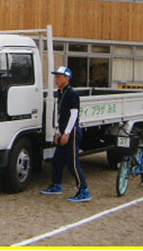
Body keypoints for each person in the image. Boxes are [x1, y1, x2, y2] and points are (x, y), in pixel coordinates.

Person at [41, 66, 91, 202]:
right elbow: (60, 114)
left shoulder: (72, 94)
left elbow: (74, 115)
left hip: (72, 131)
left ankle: (83, 190)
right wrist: (58, 131)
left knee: (72, 162)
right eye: (56, 76)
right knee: (57, 160)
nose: (56, 79)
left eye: (59, 77)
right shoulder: (61, 92)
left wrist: (67, 133)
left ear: (67, 78)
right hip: (63, 130)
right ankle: (56, 185)